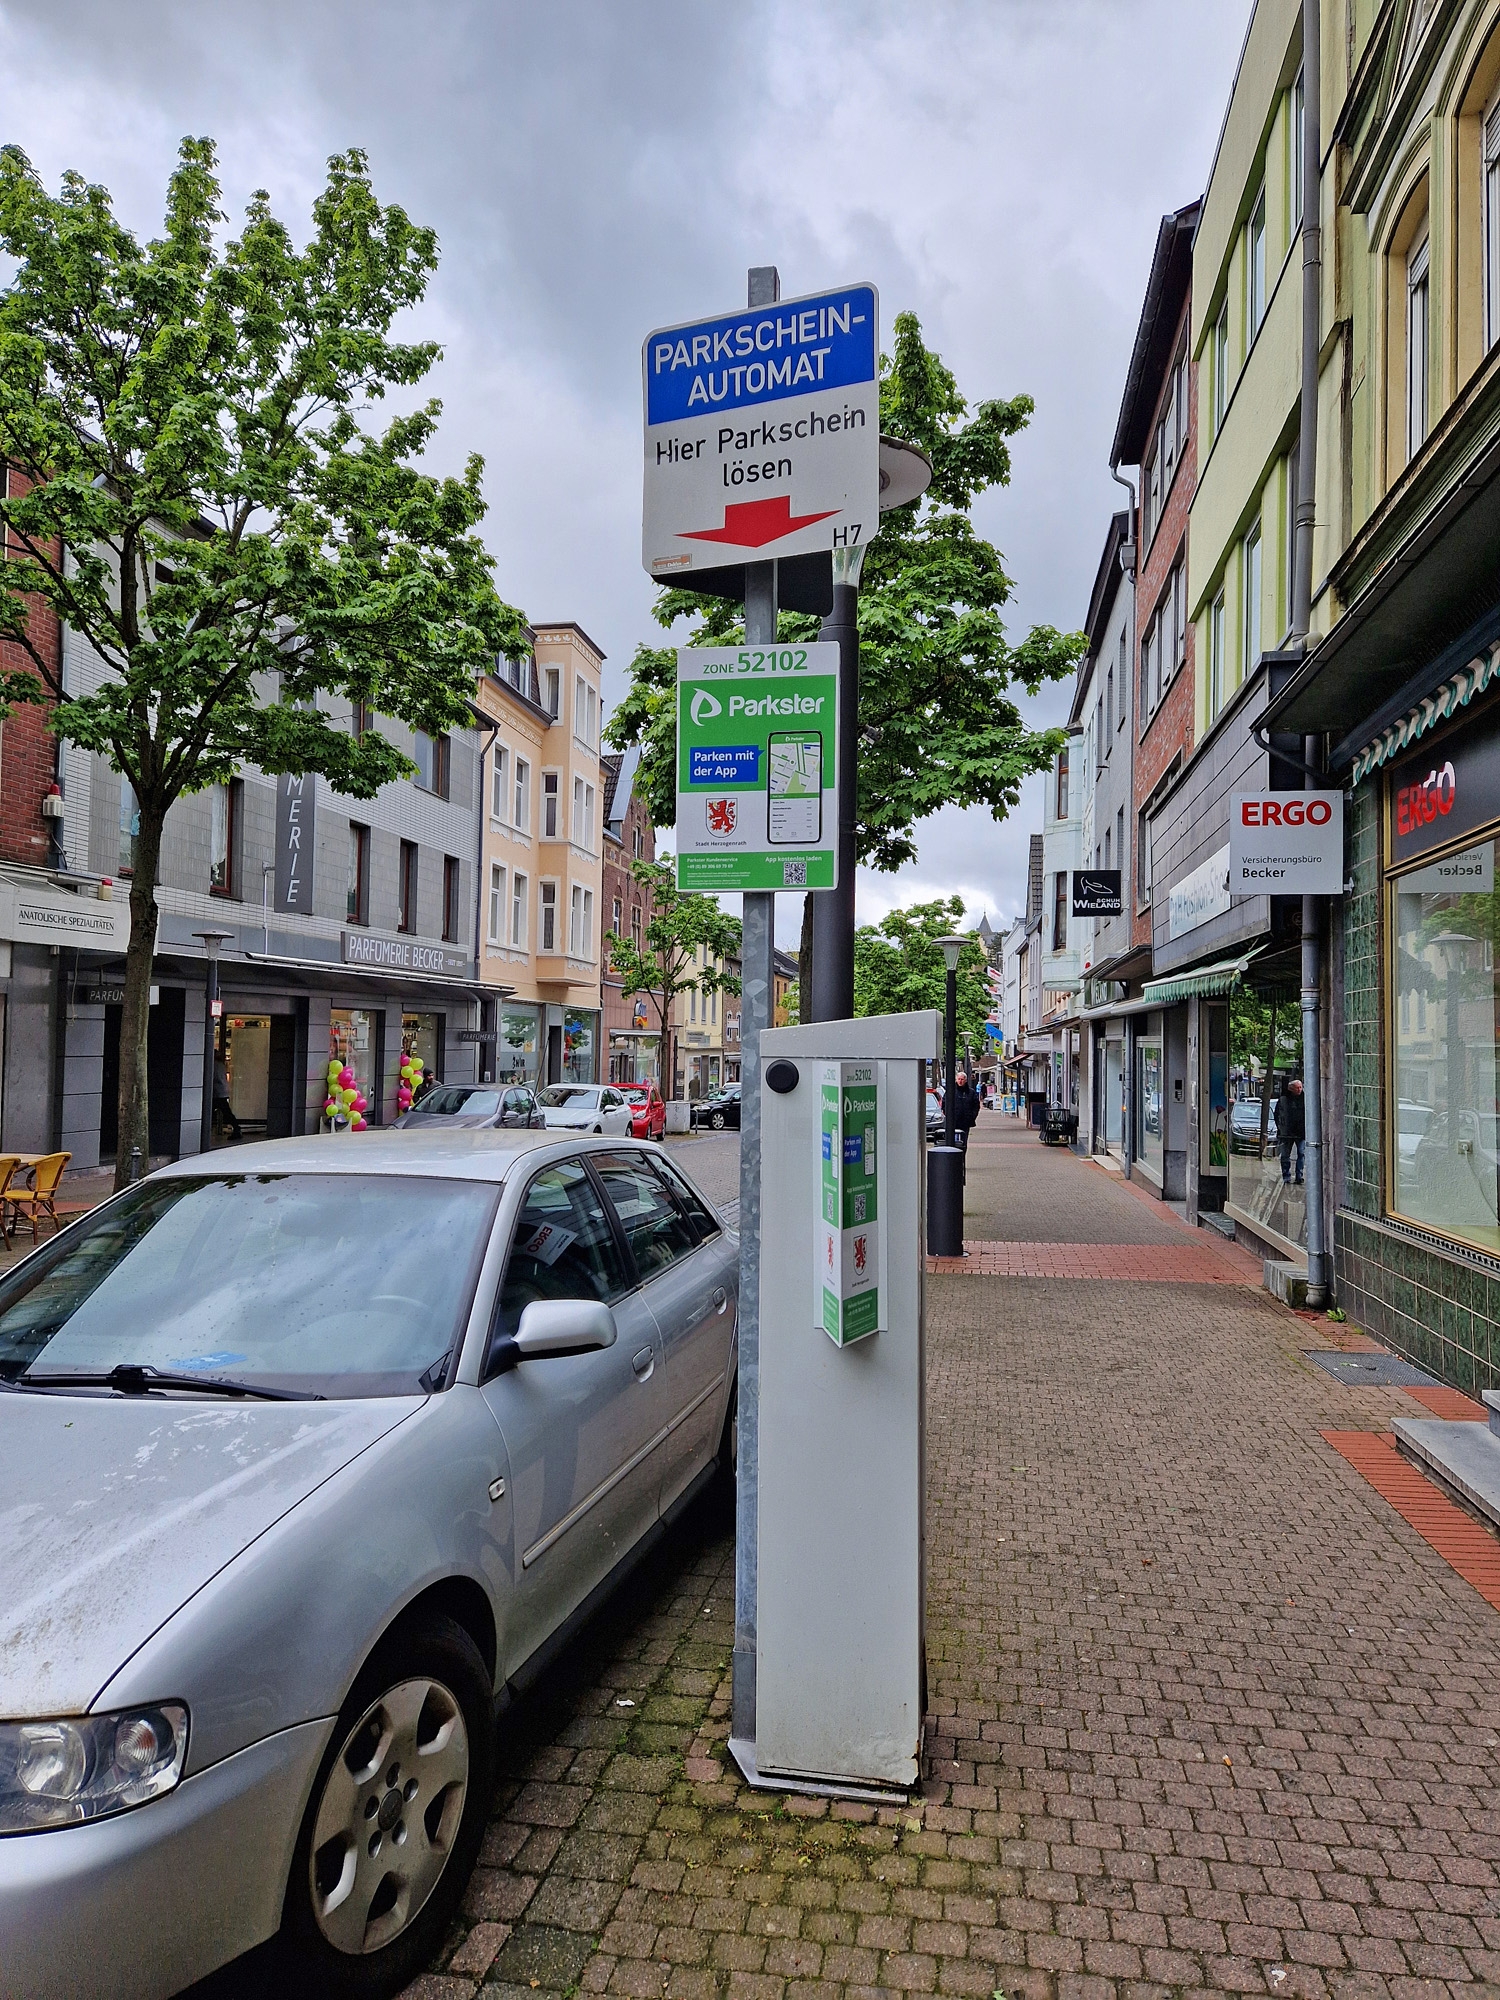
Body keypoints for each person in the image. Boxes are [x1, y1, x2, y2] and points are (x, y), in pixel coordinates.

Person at [1278, 1077, 1306, 1185]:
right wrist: (1281, 1128)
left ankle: (1299, 1176)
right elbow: (1278, 1115)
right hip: (1286, 1133)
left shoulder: (1305, 1099)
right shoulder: (1284, 1099)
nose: (1299, 1090)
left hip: (1301, 1132)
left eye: (1300, 1087)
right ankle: (1286, 1176)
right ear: (1291, 1089)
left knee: (1301, 1153)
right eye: (1297, 1088)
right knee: (1285, 1155)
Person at [213, 1051, 242, 1141]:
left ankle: (236, 1128)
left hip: (217, 1093)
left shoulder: (213, 1065)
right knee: (226, 1112)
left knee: (224, 1112)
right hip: (221, 1092)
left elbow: (213, 1078)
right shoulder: (221, 1065)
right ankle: (236, 1128)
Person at [951, 1069, 982, 1152]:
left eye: (962, 1079)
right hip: (953, 1121)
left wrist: (972, 1117)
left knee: (963, 1143)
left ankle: (962, 1160)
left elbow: (976, 1106)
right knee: (952, 1142)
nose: (960, 1081)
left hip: (965, 1122)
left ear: (965, 1080)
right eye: (959, 1079)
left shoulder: (971, 1092)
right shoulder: (951, 1091)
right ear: (956, 1080)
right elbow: (944, 1104)